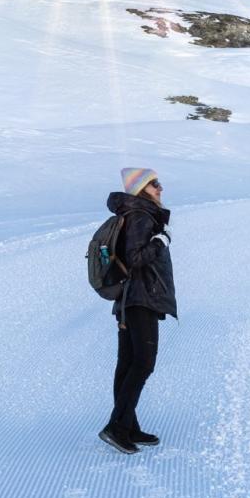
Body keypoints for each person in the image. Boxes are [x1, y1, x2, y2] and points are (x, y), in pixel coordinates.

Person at [100, 167, 175, 454]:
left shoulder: (133, 214)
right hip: (139, 299)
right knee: (143, 363)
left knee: (129, 363)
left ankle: (127, 425)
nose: (160, 188)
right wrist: (160, 241)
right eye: (155, 184)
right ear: (141, 189)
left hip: (130, 300)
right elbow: (136, 258)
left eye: (159, 182)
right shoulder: (141, 216)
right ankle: (117, 427)